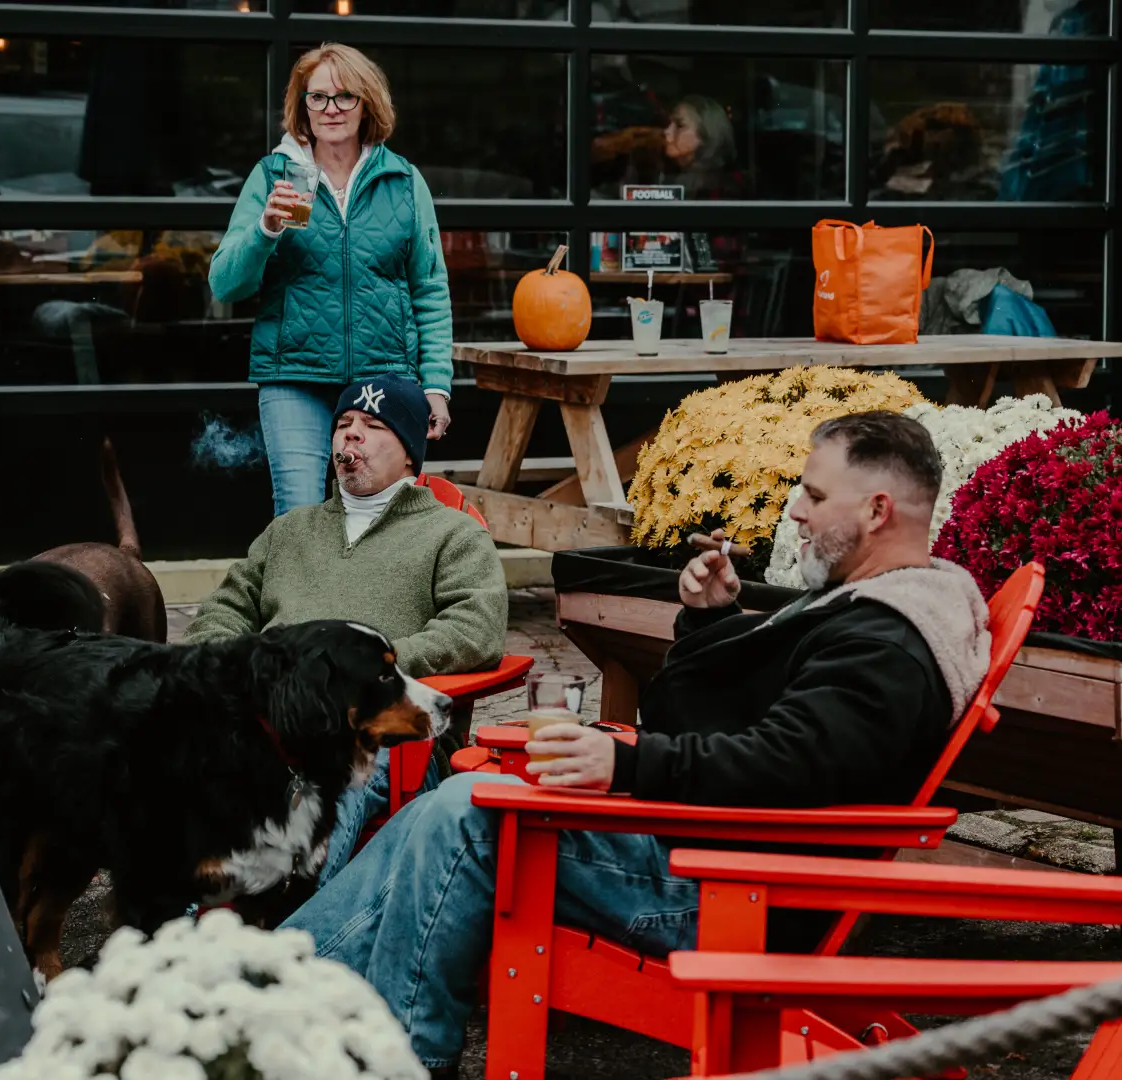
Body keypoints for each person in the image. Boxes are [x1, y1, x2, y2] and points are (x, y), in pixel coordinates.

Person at [278, 410, 993, 1078]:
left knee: (466, 815)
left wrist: (625, 763)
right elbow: (739, 734)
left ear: (876, 511)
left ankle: (349, 1030)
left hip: (727, 887)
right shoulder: (868, 604)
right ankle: (277, 987)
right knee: (449, 809)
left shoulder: (886, 644)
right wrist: (709, 626)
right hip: (710, 851)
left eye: (813, 494)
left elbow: (789, 765)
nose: (796, 511)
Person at [186, 376, 507, 868]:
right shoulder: (289, 531)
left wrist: (368, 676)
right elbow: (224, 609)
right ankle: (176, 923)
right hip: (268, 720)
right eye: (344, 423)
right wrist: (242, 671)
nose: (351, 433)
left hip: (378, 733)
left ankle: (292, 926)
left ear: (409, 453)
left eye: (373, 425)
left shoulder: (452, 533)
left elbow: (475, 627)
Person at [207, 44, 454, 517]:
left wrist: (436, 386)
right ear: (302, 106)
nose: (330, 109)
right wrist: (265, 231)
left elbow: (429, 288)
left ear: (367, 105)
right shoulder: (275, 175)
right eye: (316, 98)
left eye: (344, 97)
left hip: (382, 377)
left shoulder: (403, 181)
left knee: (379, 515)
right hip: (294, 374)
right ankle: (297, 595)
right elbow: (225, 285)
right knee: (298, 512)